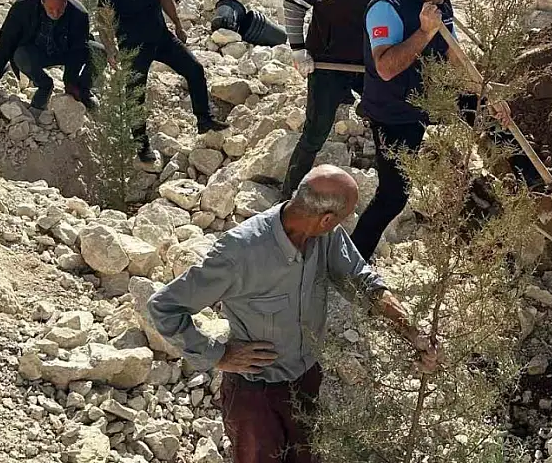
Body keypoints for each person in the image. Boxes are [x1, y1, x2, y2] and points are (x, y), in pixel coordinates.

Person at [147, 164, 439, 463]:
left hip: (306, 381)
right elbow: (164, 306)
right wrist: (217, 355)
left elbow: (363, 282)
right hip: (255, 396)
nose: (346, 222)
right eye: (346, 215)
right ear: (326, 218)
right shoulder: (240, 252)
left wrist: (410, 330)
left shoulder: (327, 236)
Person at [349, 0, 552, 262]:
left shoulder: (439, 1)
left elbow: (454, 57)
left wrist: (485, 92)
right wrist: (424, 33)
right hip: (395, 109)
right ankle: (352, 260)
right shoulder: (387, 7)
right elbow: (384, 68)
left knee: (486, 110)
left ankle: (532, 179)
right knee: (393, 196)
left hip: (433, 95)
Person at [279, 0, 400, 199]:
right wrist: (299, 50)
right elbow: (294, 4)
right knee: (316, 132)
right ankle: (288, 196)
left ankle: (388, 185)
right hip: (327, 65)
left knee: (387, 115)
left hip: (363, 66)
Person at [98, 0, 228, 163]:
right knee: (135, 94)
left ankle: (204, 119)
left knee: (195, 69)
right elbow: (103, 16)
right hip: (132, 45)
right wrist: (110, 47)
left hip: (160, 36)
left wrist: (177, 23)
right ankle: (142, 146)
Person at [0, 0, 101, 111]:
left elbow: (78, 49)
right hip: (36, 52)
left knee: (99, 51)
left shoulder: (79, 14)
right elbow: (6, 39)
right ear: (42, 1)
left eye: (61, 9)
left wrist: (70, 81)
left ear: (66, 1)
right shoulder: (23, 6)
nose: (56, 13)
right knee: (20, 55)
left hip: (65, 52)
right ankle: (44, 86)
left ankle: (83, 91)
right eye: (51, 9)